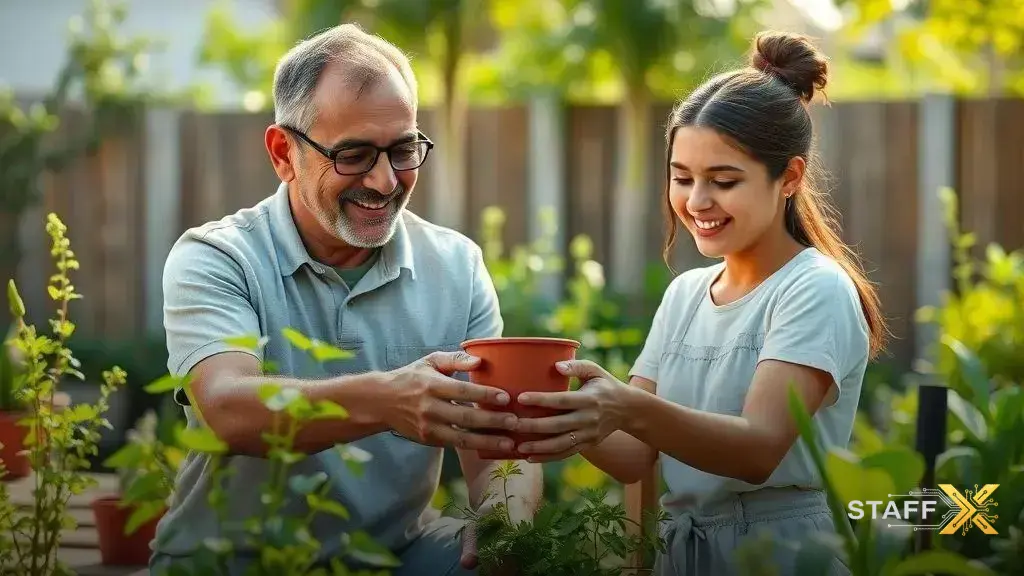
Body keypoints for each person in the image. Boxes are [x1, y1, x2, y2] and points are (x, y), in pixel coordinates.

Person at [150, 23, 542, 575]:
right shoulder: (218, 257)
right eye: (354, 155)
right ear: (284, 152)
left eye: (403, 149)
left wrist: (505, 521)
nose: (385, 182)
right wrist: (389, 400)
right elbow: (227, 410)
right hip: (233, 561)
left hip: (397, 556)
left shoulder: (457, 266)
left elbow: (499, 447)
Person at [511, 31, 886, 575]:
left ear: (790, 177)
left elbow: (757, 451)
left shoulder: (814, 288)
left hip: (780, 556)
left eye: (724, 181)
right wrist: (547, 408)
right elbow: (635, 453)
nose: (697, 201)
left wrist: (625, 405)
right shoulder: (685, 294)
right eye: (682, 178)